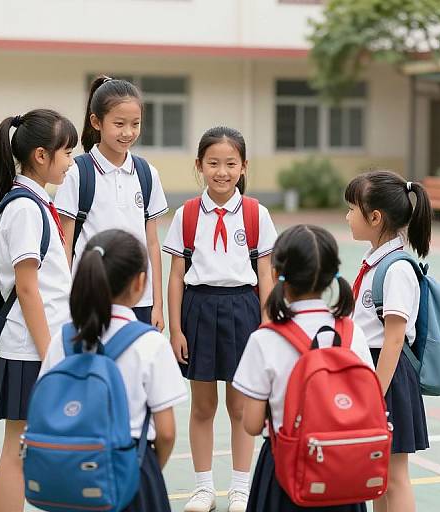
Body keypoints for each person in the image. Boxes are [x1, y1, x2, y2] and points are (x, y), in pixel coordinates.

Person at [163, 126, 277, 512]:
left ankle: (241, 488)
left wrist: (267, 325)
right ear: (199, 165)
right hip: (199, 309)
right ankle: (203, 488)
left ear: (244, 166)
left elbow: (266, 275)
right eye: (213, 163)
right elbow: (177, 274)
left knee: (241, 408)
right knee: (202, 407)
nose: (222, 172)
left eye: (230, 164)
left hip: (244, 311)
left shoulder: (255, 213)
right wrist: (177, 327)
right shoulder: (187, 214)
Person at [40, 229, 188, 511]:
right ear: (140, 282)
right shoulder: (150, 343)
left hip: (72, 472)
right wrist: (146, 470)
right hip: (131, 469)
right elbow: (166, 433)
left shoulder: (63, 339)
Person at [234, 224, 373, 512]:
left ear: (276, 274)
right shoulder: (352, 334)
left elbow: (250, 423)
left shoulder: (265, 339)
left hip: (285, 473)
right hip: (343, 471)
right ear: (332, 275)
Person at [0, 109, 78, 512]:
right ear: (41, 155)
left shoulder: (36, 202)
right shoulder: (25, 208)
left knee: (28, 445)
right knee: (18, 447)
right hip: (31, 348)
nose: (71, 161)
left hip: (36, 344)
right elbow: (27, 288)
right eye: (67, 153)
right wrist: (49, 354)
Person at [345, 170, 431, 512]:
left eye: (352, 209)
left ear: (375, 217)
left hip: (388, 376)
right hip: (374, 372)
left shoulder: (396, 269)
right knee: (377, 475)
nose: (348, 217)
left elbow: (394, 339)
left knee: (394, 476)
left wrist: (374, 393)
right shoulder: (376, 263)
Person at [55, 76, 168, 327]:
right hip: (91, 298)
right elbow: (65, 247)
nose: (128, 132)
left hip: (139, 302)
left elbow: (152, 244)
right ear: (96, 121)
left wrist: (157, 305)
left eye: (135, 124)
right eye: (119, 124)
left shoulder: (147, 174)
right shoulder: (77, 173)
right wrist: (65, 302)